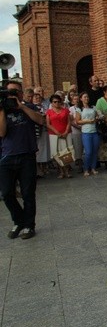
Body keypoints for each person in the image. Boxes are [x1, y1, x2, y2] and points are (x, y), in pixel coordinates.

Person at [0, 80, 44, 240]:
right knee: (6, 193)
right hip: (7, 156)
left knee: (27, 193)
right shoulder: (1, 110)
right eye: (10, 92)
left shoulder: (29, 107)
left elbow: (40, 121)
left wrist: (22, 107)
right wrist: (3, 111)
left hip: (27, 155)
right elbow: (2, 133)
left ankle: (29, 225)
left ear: (21, 93)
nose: (13, 94)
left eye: (16, 92)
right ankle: (19, 220)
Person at [45, 93, 73, 179]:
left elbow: (69, 122)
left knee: (66, 152)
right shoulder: (49, 112)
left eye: (58, 102)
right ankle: (61, 171)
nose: (57, 103)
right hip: (54, 134)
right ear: (51, 103)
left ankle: (67, 171)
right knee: (56, 153)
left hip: (66, 133)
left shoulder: (65, 110)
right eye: (54, 102)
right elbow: (48, 124)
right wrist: (56, 132)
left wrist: (66, 131)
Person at [75, 91, 100, 177]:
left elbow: (97, 116)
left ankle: (93, 168)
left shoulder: (93, 107)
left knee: (94, 151)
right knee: (88, 152)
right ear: (81, 99)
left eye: (87, 97)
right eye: (84, 97)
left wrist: (96, 118)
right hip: (86, 132)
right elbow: (77, 121)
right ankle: (86, 168)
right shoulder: (79, 109)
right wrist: (87, 121)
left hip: (94, 132)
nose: (86, 98)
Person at [68, 93, 84, 173]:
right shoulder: (71, 109)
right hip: (76, 130)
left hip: (85, 130)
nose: (77, 101)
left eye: (78, 99)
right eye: (75, 99)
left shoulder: (83, 107)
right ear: (72, 101)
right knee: (78, 148)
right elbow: (71, 121)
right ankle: (79, 164)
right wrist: (78, 127)